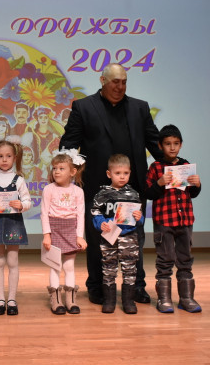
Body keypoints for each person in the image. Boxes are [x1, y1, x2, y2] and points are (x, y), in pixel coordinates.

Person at [60, 63, 162, 305]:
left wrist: (176, 164)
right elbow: (68, 145)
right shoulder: (84, 107)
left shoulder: (140, 108)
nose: (120, 87)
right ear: (103, 80)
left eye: (124, 82)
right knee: (99, 238)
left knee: (133, 239)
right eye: (115, 82)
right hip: (97, 188)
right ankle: (97, 287)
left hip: (132, 189)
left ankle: (136, 287)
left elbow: (155, 144)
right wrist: (73, 169)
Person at [146, 125, 202, 313]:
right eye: (168, 144)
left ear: (181, 145)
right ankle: (164, 299)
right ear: (160, 146)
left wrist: (197, 185)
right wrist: (159, 183)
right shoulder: (155, 167)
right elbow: (149, 193)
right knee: (165, 259)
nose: (172, 147)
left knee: (185, 259)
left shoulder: (186, 165)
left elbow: (192, 193)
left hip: (185, 221)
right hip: (164, 222)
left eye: (176, 143)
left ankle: (186, 298)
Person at [0, 134, 31, 316]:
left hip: (13, 222)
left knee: (12, 260)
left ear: (14, 158)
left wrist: (21, 205)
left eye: (8, 156)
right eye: (0, 156)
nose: (4, 160)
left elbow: (27, 200)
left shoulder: (19, 180)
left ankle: (12, 299)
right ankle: (0, 299)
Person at [91, 154, 144, 314]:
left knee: (130, 269)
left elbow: (139, 217)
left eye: (125, 173)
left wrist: (139, 218)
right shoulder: (102, 194)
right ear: (109, 174)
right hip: (109, 237)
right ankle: (109, 300)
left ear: (130, 173)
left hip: (129, 237)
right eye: (118, 173)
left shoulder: (134, 194)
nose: (122, 177)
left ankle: (128, 301)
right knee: (109, 267)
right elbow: (95, 213)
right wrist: (101, 223)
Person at [41, 149, 86, 315]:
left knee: (69, 265)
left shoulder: (78, 191)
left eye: (61, 168)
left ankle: (70, 300)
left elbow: (80, 215)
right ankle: (56, 299)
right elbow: (44, 213)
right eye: (54, 168)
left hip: (70, 230)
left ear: (72, 172)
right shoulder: (49, 189)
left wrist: (79, 236)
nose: (57, 172)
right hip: (54, 230)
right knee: (55, 266)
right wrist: (47, 235)